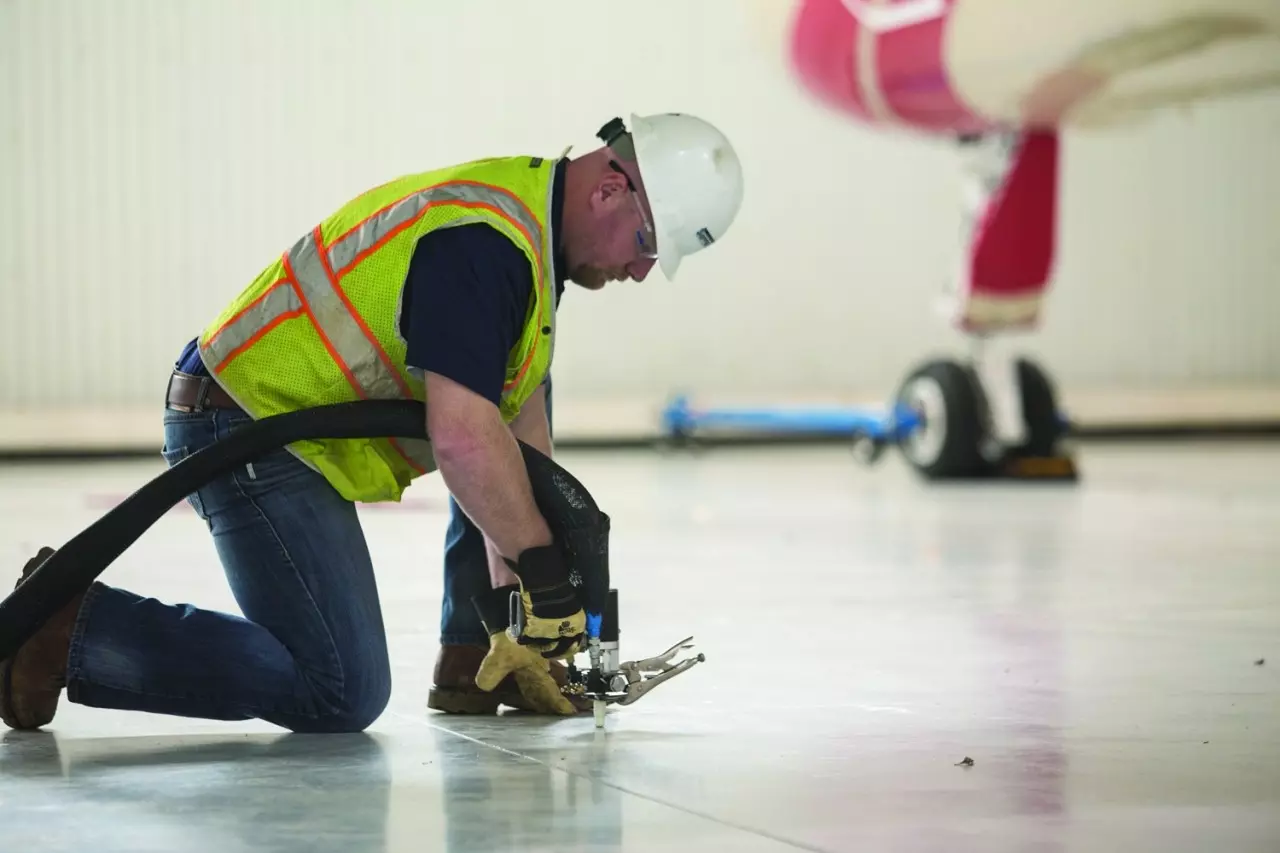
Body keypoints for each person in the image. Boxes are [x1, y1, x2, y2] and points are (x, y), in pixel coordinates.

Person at [0, 112, 744, 733]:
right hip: (244, 425)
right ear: (611, 189)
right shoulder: (487, 243)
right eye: (649, 244)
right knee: (340, 689)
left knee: (501, 470)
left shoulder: (530, 242)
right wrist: (545, 572)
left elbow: (522, 454)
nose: (643, 271)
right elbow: (459, 437)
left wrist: (526, 628)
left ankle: (472, 663)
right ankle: (72, 630)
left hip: (292, 432)